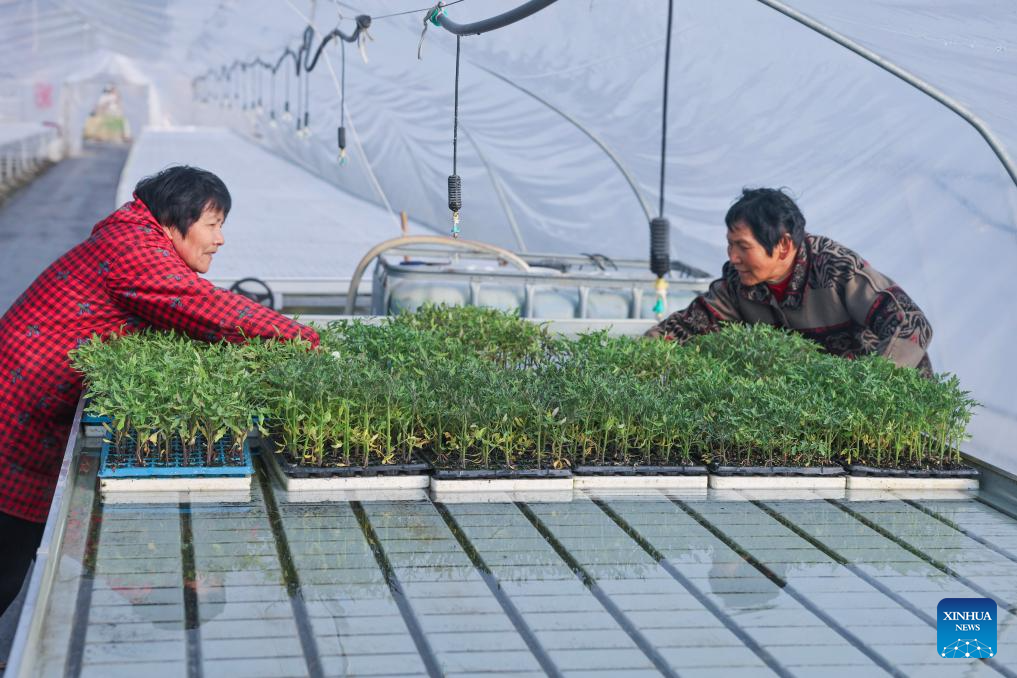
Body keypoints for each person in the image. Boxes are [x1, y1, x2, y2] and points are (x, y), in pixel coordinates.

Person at [0, 166, 319, 616]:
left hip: (31, 414)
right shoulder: (133, 250)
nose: (219, 239)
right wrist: (311, 342)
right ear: (174, 220)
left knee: (14, 550)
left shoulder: (135, 239)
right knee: (8, 553)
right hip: (15, 421)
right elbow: (202, 305)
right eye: (212, 225)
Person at [646, 187, 933, 376]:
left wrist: (869, 386)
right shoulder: (738, 283)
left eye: (743, 246)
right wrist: (636, 359)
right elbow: (685, 328)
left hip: (881, 416)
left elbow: (911, 323)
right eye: (729, 245)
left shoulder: (836, 269)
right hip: (817, 412)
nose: (732, 257)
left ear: (783, 245)